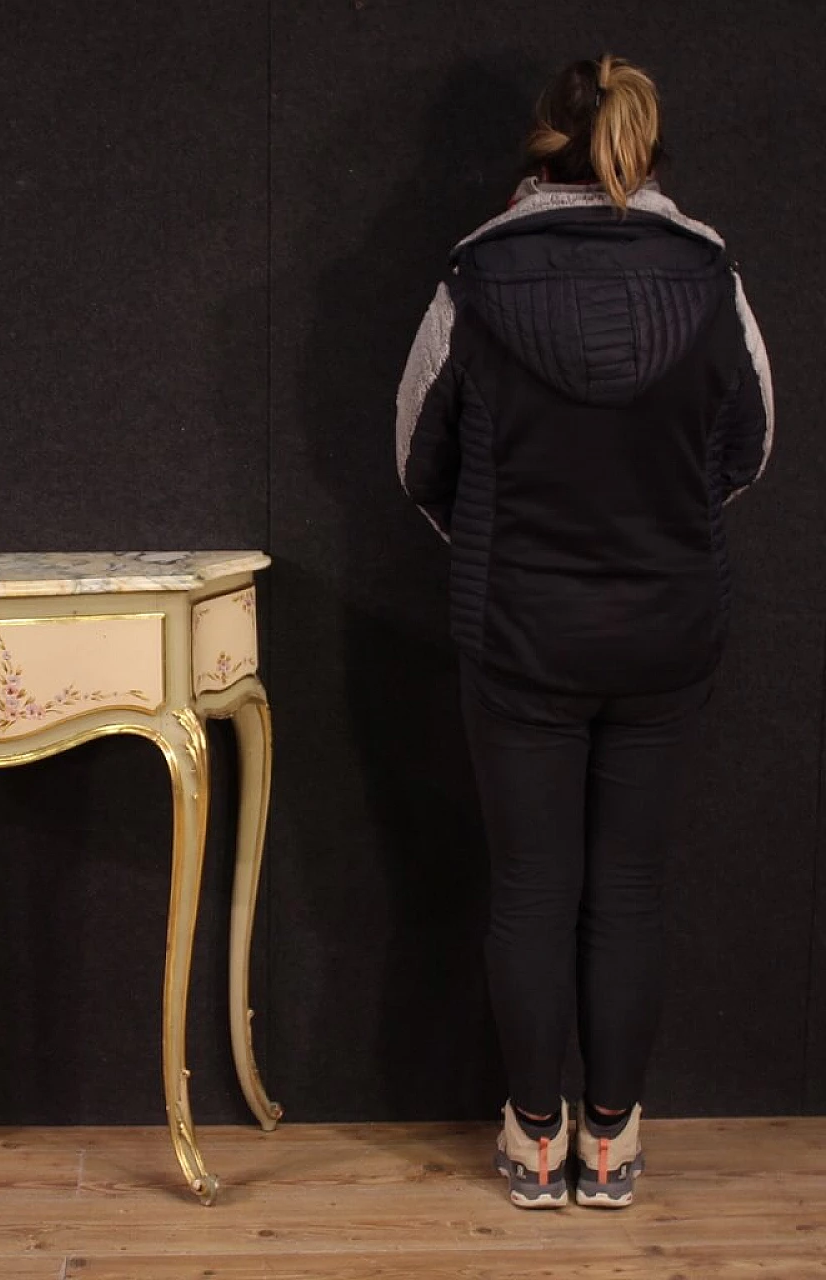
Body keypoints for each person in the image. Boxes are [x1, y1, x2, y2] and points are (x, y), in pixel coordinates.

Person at [394, 55, 773, 1209]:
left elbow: (418, 463)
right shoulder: (710, 277)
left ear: (537, 145)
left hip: (517, 636)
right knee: (629, 887)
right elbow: (745, 452)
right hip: (667, 632)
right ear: (644, 144)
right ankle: (609, 1142)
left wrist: (502, 548)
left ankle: (530, 1134)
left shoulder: (474, 274)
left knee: (528, 886)